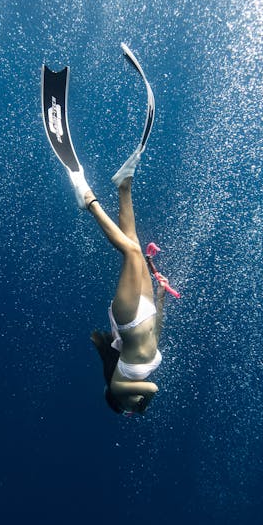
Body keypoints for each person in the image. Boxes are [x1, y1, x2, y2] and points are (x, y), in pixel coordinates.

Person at [81, 175, 168, 415]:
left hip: (129, 320)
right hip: (148, 310)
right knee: (134, 244)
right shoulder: (142, 373)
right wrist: (161, 297)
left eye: (127, 410)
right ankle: (124, 187)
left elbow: (153, 389)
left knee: (130, 252)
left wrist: (140, 408)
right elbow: (156, 334)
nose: (134, 407)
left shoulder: (117, 387)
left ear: (119, 402)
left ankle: (89, 201)